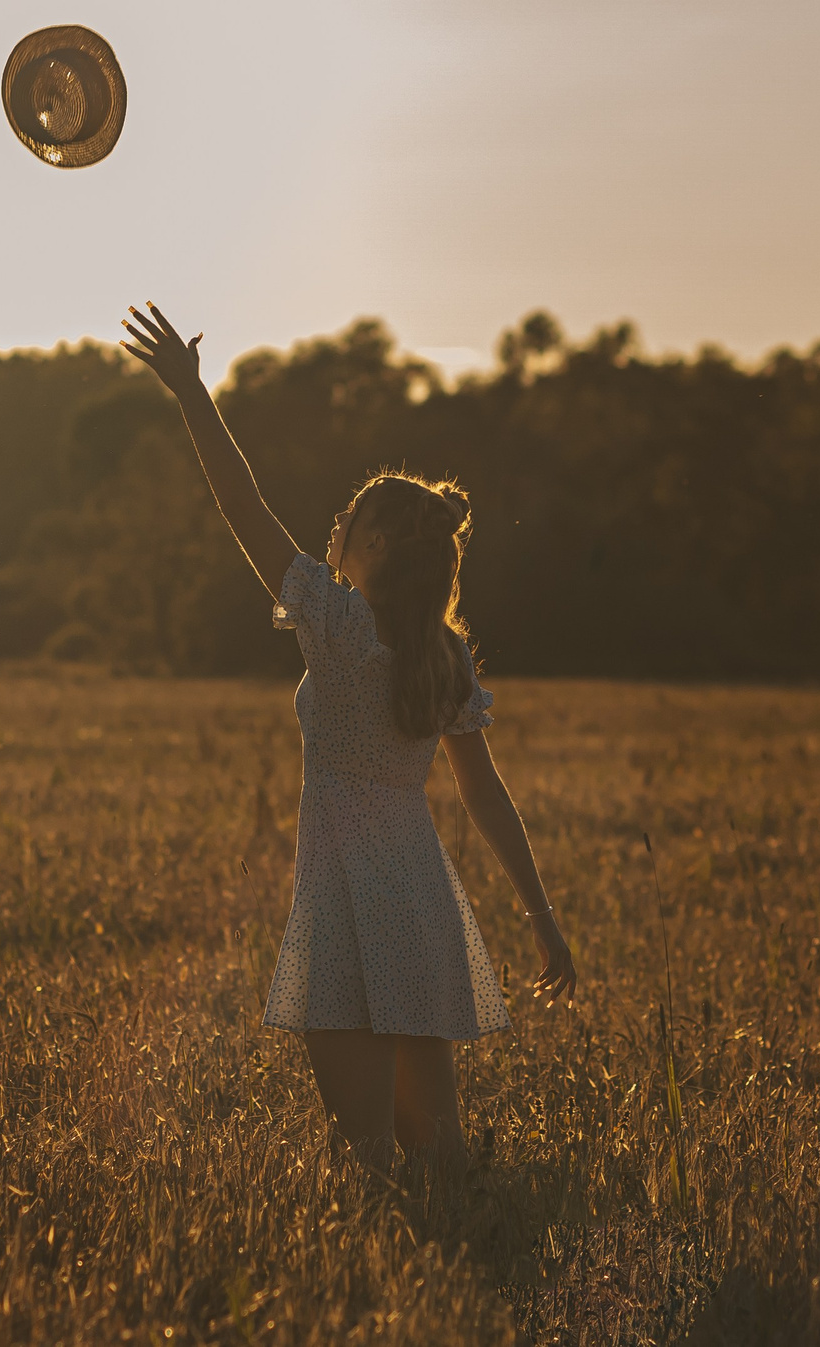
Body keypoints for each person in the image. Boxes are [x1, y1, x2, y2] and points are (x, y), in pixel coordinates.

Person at [119, 301, 577, 1179]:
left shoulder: (334, 624)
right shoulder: (443, 656)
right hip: (421, 894)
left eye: (345, 518)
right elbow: (486, 798)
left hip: (345, 895)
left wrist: (191, 395)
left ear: (367, 543)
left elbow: (239, 501)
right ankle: (478, 1255)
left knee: (365, 1160)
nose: (330, 528)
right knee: (437, 1157)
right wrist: (543, 920)